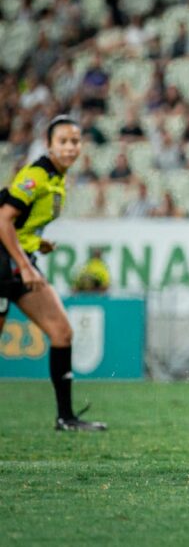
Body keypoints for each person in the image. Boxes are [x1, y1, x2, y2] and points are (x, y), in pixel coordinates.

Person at [0, 116, 107, 431]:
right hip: (7, 264)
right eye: (63, 141)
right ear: (49, 145)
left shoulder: (57, 177)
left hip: (18, 261)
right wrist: (23, 261)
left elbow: (20, 222)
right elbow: (3, 219)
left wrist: (36, 242)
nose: (70, 147)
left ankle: (66, 418)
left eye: (75, 141)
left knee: (62, 332)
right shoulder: (37, 174)